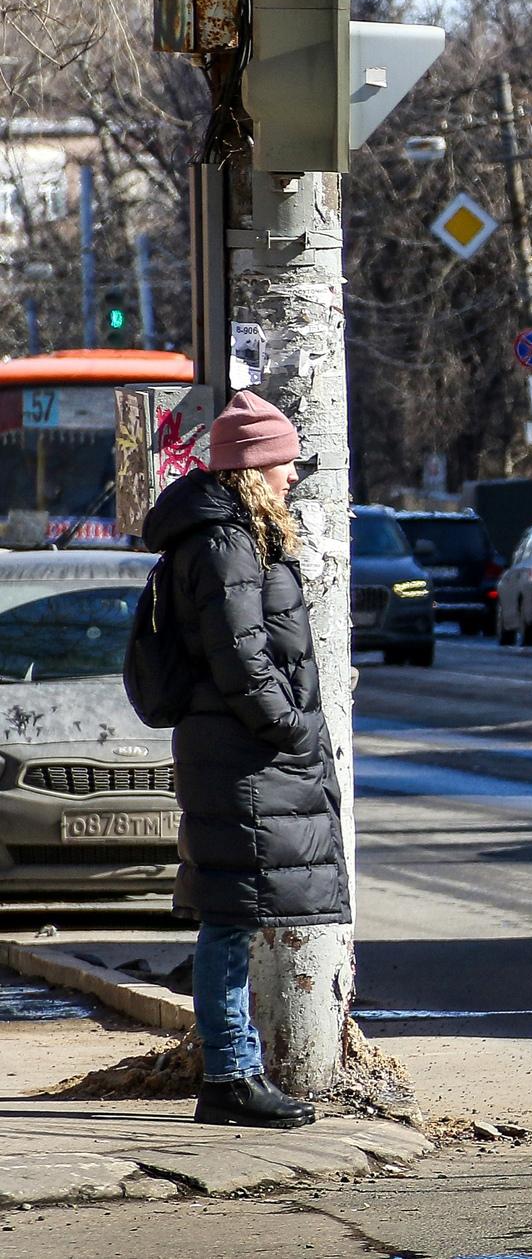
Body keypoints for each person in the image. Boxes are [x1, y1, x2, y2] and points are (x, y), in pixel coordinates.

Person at [138, 392, 345, 1129]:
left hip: (238, 753)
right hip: (241, 757)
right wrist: (289, 726)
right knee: (229, 921)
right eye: (286, 460)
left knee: (233, 914)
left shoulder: (231, 534)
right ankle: (229, 1074)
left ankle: (235, 1071)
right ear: (257, 465)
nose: (293, 474)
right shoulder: (225, 542)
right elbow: (242, 656)